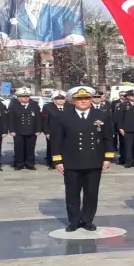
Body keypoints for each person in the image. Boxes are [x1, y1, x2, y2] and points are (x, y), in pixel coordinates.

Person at [51, 87, 115, 232]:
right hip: (71, 161)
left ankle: (87, 220)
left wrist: (108, 157)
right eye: (79, 99)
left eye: (86, 98)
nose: (83, 101)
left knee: (91, 192)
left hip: (94, 160)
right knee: (72, 193)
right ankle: (73, 221)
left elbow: (108, 138)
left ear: (91, 99)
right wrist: (57, 160)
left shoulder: (102, 115)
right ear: (73, 100)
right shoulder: (62, 116)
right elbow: (56, 140)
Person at [7, 87, 43, 170]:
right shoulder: (13, 106)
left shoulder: (34, 105)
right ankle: (19, 164)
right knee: (19, 148)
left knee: (30, 148)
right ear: (19, 97)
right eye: (23, 96)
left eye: (27, 96)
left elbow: (38, 118)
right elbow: (10, 119)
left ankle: (30, 163)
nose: (26, 98)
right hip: (18, 131)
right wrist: (11, 130)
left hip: (32, 130)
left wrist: (38, 129)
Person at [42, 90, 70, 169]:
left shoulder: (70, 107)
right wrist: (46, 132)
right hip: (53, 132)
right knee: (53, 148)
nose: (60, 100)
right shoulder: (47, 107)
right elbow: (45, 120)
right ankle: (53, 163)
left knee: (66, 147)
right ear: (53, 99)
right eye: (58, 98)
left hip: (67, 132)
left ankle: (65, 162)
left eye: (62, 98)